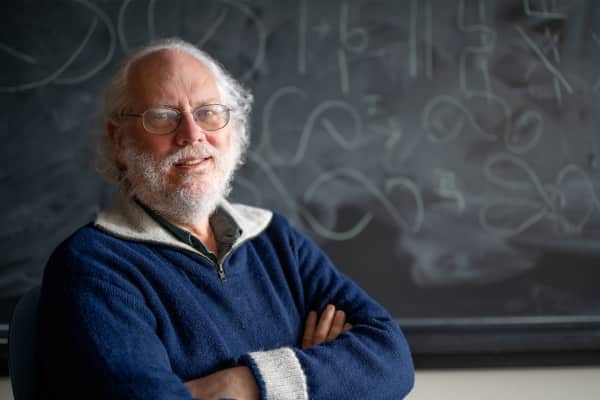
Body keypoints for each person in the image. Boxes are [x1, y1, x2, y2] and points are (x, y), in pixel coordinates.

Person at [37, 37, 414, 400]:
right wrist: (320, 379)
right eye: (163, 117)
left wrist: (236, 385)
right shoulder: (93, 265)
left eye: (207, 112)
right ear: (119, 140)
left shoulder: (276, 239)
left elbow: (391, 360)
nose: (192, 134)